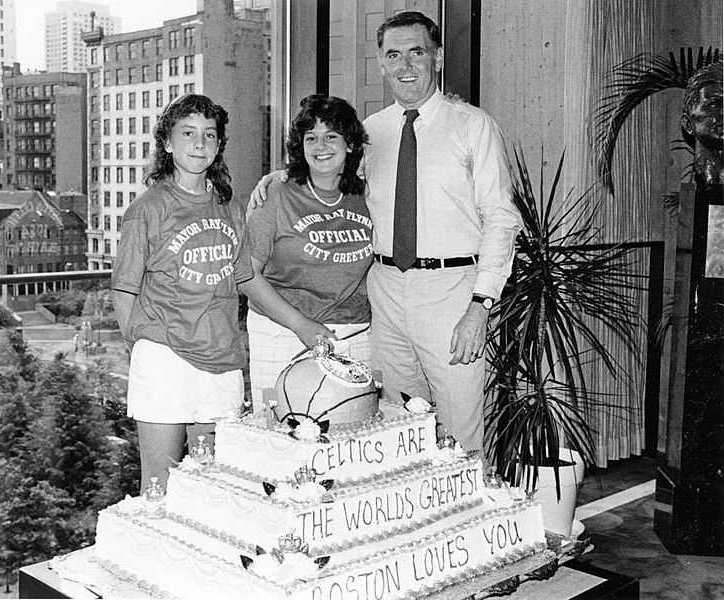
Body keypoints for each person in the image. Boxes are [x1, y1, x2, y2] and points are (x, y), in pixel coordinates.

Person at [251, 12, 522, 452]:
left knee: (461, 435)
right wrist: (282, 176)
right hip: (387, 295)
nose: (405, 65)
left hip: (453, 293)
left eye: (417, 52)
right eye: (393, 55)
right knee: (397, 430)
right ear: (380, 63)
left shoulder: (473, 125)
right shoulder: (371, 133)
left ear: (435, 59)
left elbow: (502, 219)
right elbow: (330, 168)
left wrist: (480, 305)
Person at [112, 94, 316, 491]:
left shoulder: (231, 207)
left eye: (209, 135)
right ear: (167, 142)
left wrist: (302, 324)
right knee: (160, 484)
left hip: (222, 360)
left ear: (219, 145)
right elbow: (124, 290)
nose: (199, 144)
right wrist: (143, 348)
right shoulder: (147, 209)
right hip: (165, 359)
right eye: (187, 133)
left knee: (213, 486)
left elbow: (247, 279)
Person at [246, 94, 372, 413]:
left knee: (350, 436)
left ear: (351, 144)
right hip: (282, 331)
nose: (321, 146)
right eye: (311, 137)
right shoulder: (276, 195)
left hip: (355, 334)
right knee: (280, 435)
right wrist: (300, 324)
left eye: (331, 136)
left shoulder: (370, 195)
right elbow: (245, 274)